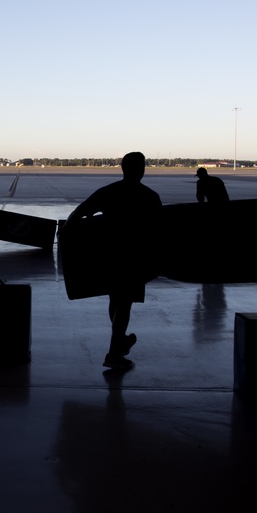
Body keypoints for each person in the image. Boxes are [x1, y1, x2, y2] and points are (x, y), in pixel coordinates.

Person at [67, 152, 162, 370]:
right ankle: (114, 353)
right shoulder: (150, 196)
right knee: (125, 304)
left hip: (109, 258)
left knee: (116, 300)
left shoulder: (108, 192)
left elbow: (77, 214)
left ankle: (120, 343)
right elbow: (160, 232)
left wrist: (69, 241)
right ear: (140, 169)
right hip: (134, 260)